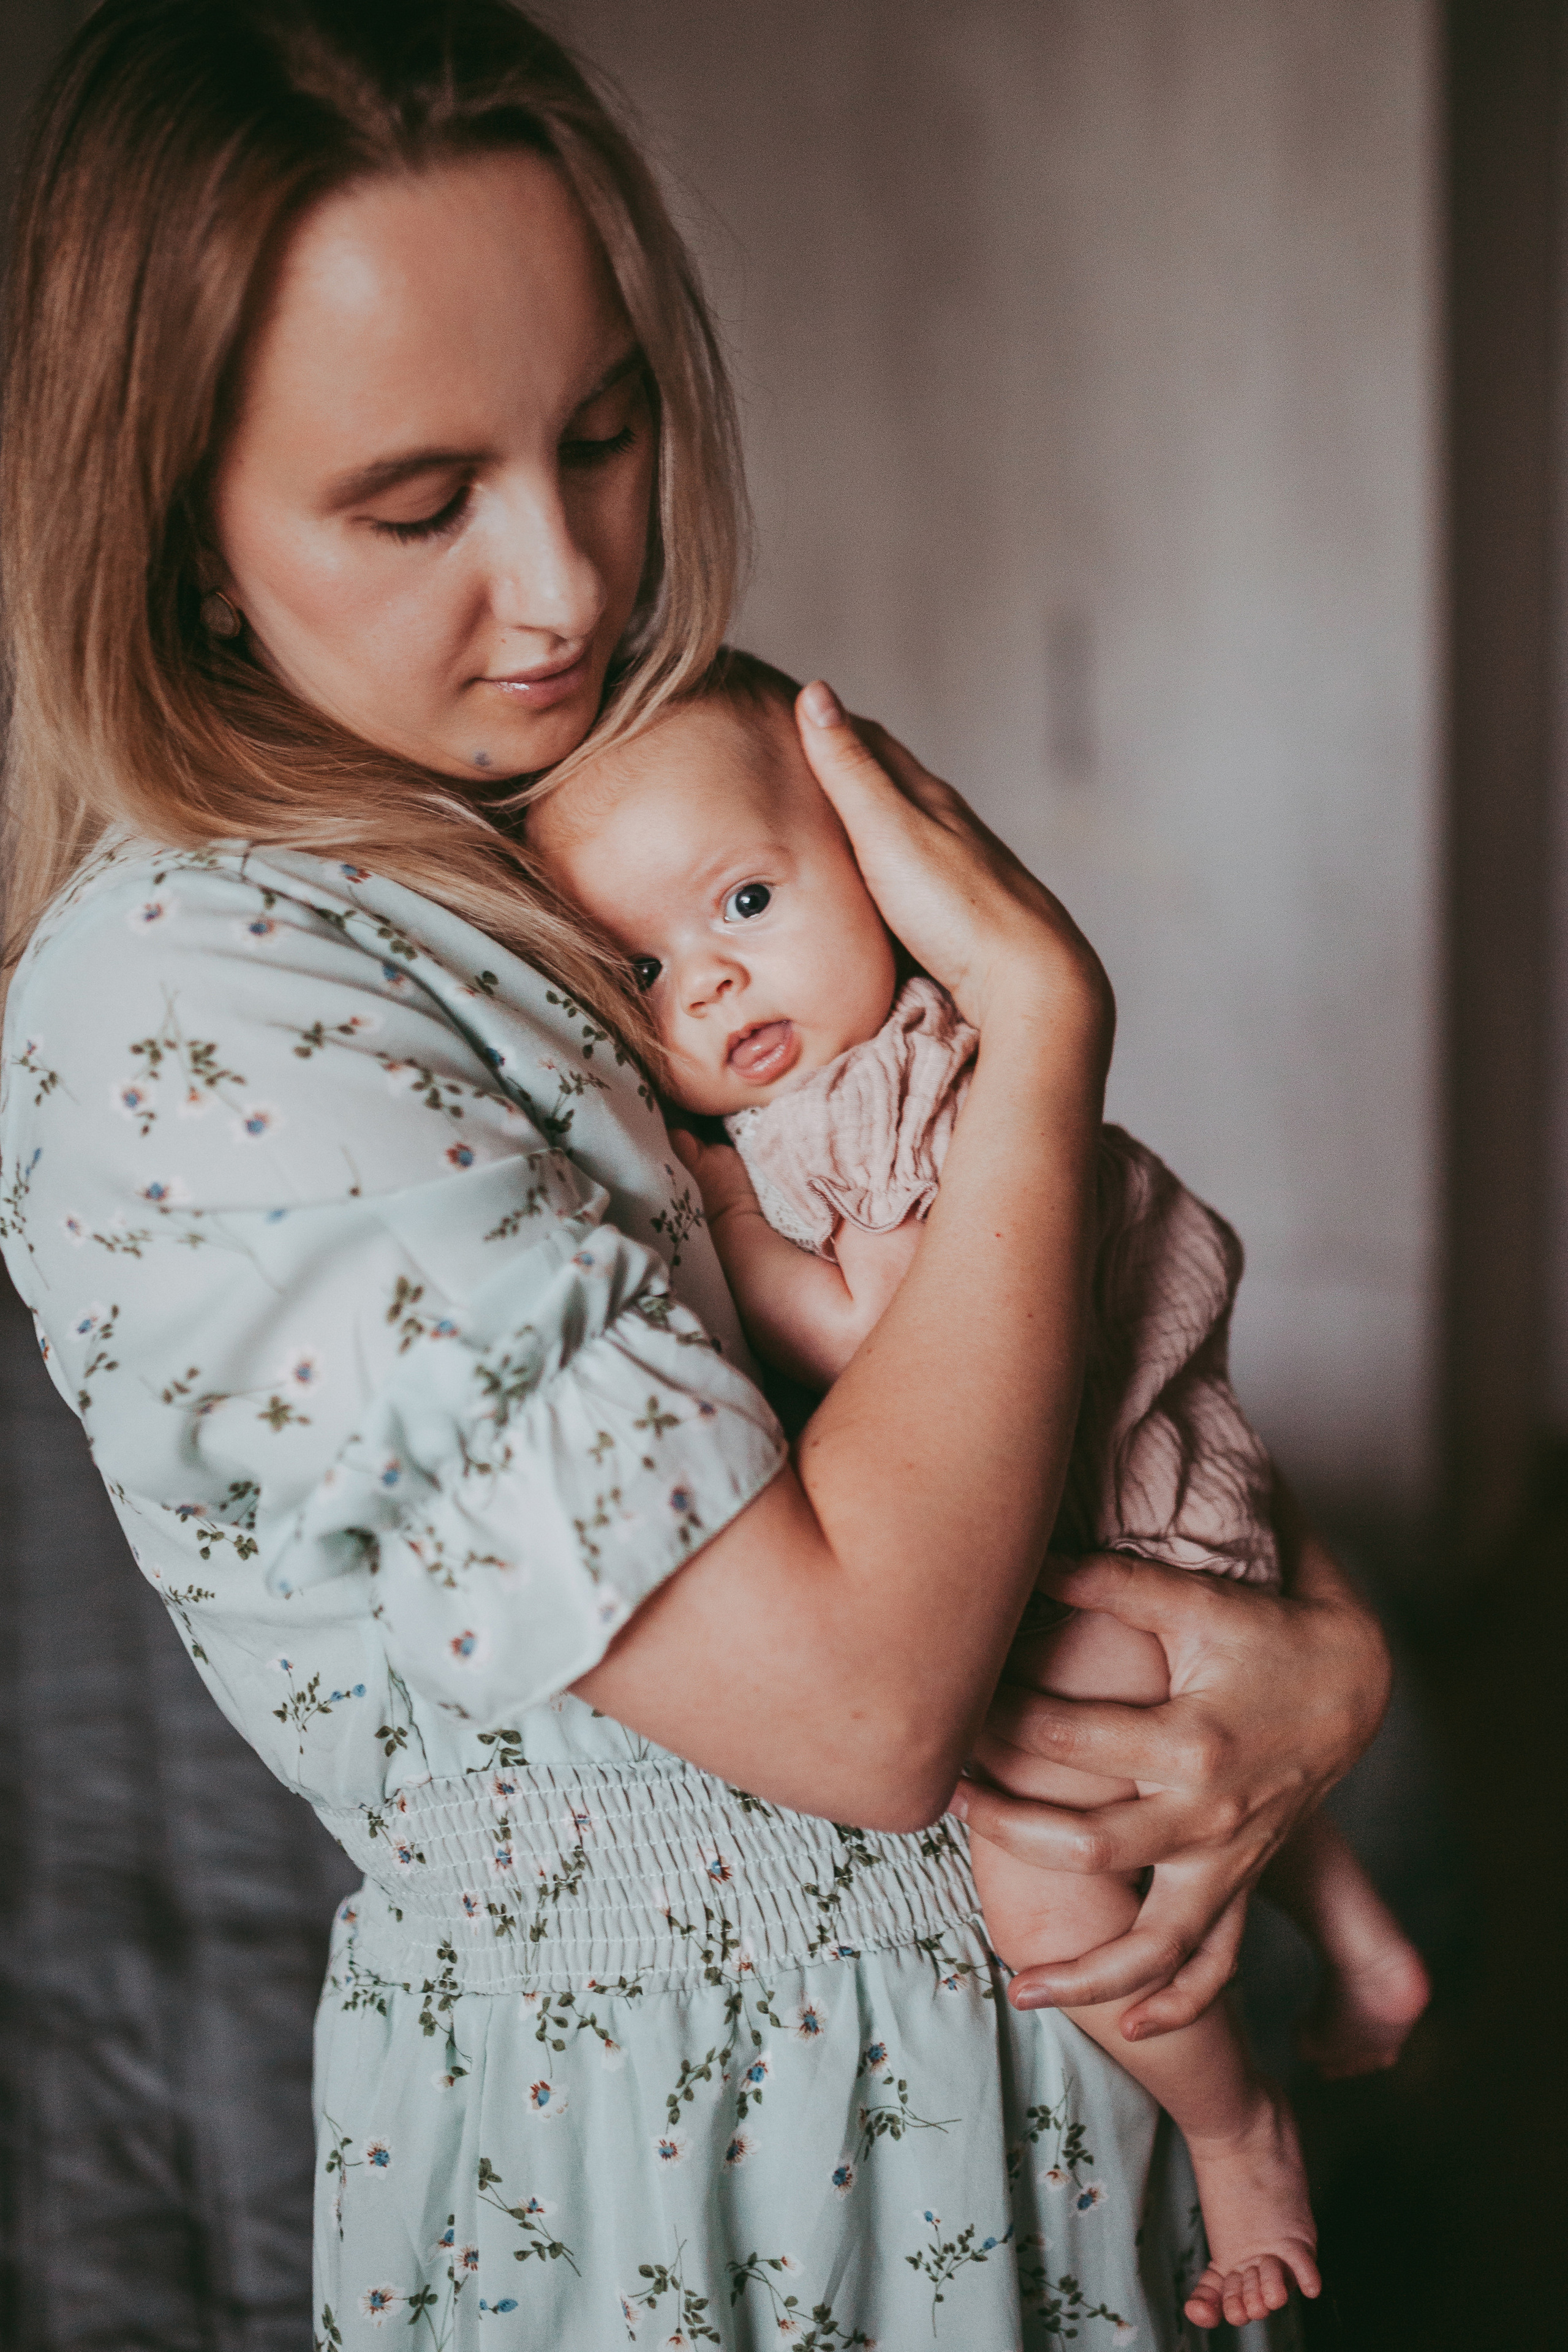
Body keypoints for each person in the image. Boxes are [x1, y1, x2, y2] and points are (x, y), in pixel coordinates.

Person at [0, 3, 1392, 2343]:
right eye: (419, 504)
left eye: (608, 432)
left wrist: (1323, 1655)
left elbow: (1048, 1336)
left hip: (1016, 2107)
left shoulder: (552, 844)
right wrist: (1043, 1039)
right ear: (181, 542)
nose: (563, 591)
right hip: (699, 2186)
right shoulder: (195, 1010)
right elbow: (861, 1719)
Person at [529, 655, 1433, 2328]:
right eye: (643, 970)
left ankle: (1239, 2133)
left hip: (1092, 1540)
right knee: (1208, 1763)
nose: (714, 985)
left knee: (1039, 1851)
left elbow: (886, 1335)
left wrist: (728, 1229)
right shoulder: (940, 1060)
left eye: (745, 898)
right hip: (1177, 1509)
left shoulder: (858, 1116)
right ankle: (1364, 1938)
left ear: (884, 870)